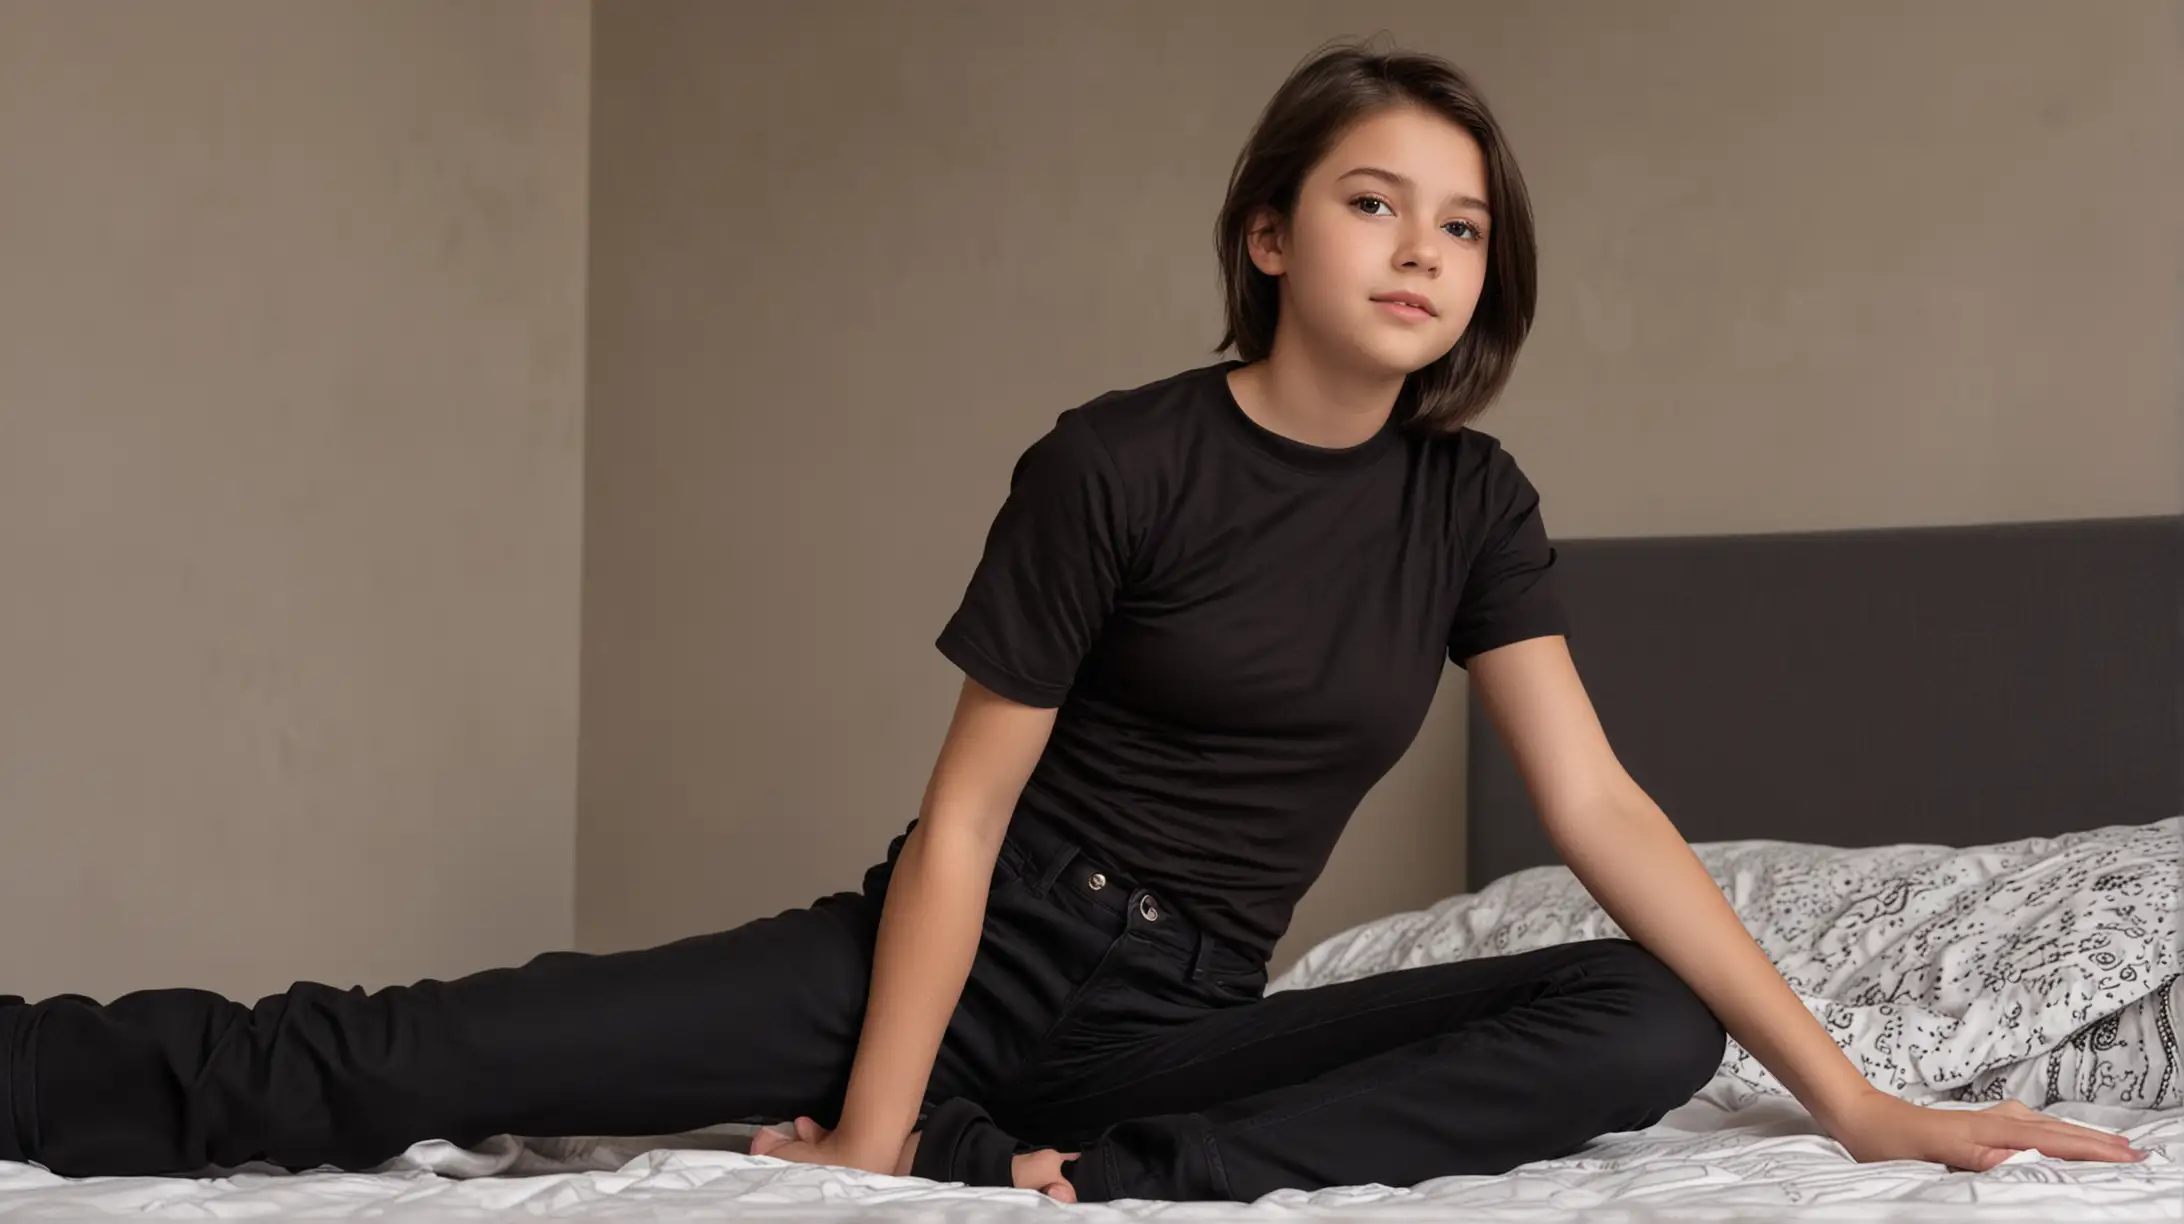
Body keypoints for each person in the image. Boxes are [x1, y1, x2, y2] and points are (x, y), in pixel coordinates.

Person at [0, 41, 2147, 1205]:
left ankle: (1103, 1184)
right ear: (1269, 232)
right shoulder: (1118, 462)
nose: (1424, 249)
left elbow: (1599, 806)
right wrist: (864, 1133)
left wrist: (1857, 1103)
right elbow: (958, 828)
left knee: (1638, 1023)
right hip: (961, 943)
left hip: (1185, 1029)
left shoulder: (1468, 503)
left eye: (1465, 223)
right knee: (387, 1057)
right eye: (1374, 200)